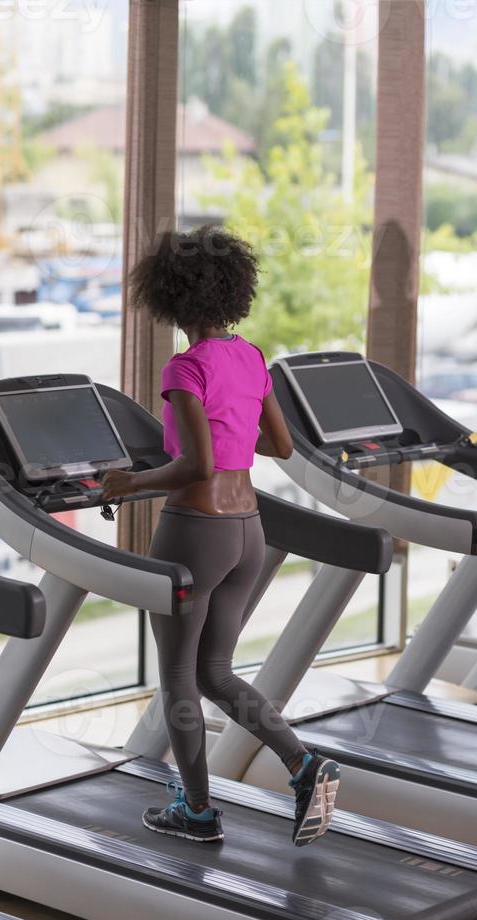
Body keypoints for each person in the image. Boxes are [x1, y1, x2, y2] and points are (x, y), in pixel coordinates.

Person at [103, 225, 340, 846]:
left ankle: (198, 813)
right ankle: (303, 762)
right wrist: (232, 436)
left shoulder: (184, 368)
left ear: (170, 299)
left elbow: (194, 468)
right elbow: (282, 445)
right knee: (216, 670)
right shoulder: (251, 357)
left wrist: (124, 485)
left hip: (194, 530)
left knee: (180, 676)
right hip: (248, 532)